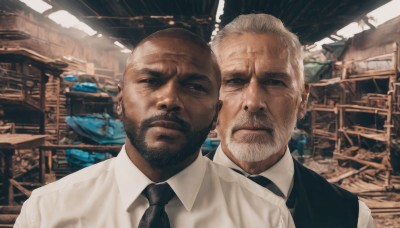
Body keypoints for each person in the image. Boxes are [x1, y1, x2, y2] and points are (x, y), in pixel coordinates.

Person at [15, 28, 294, 227]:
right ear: (120, 100)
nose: (169, 100)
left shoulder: (266, 217)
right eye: (151, 80)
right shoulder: (48, 213)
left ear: (215, 114)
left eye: (194, 86)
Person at [208, 14, 374, 228]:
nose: (253, 101)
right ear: (211, 98)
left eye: (275, 82)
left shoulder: (353, 218)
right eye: (235, 81)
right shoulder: (162, 201)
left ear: (302, 100)